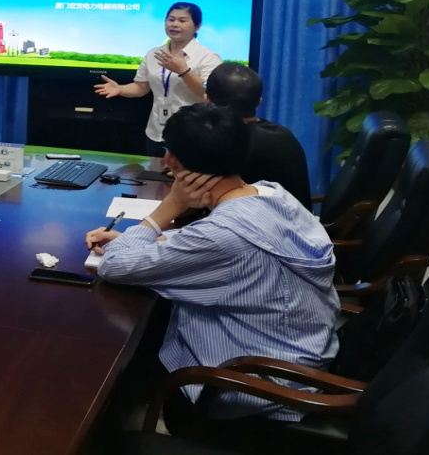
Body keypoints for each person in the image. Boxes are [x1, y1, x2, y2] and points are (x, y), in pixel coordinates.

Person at [84, 104, 337, 424]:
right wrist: (142, 239)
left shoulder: (222, 235)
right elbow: (209, 245)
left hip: (257, 386)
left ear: (171, 161)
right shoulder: (271, 194)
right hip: (301, 355)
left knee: (109, 356)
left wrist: (168, 208)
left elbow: (114, 267)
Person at [93, 1, 222, 156]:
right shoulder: (153, 54)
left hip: (192, 134)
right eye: (171, 19)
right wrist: (121, 89)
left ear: (197, 26)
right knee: (154, 171)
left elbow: (210, 95)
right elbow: (141, 87)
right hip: (156, 131)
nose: (174, 24)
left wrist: (184, 72)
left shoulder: (208, 57)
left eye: (182, 20)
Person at [205, 62, 313, 210]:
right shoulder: (284, 134)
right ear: (259, 101)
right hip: (297, 221)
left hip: (250, 222)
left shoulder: (223, 143)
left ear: (208, 101)